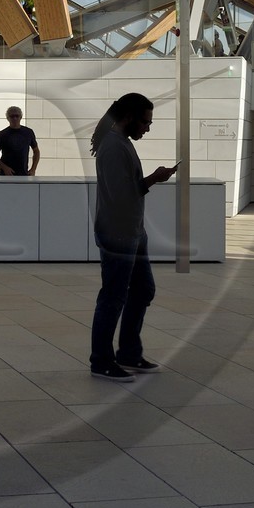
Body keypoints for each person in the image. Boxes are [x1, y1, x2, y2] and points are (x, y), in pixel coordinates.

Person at [88, 93, 176, 381]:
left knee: (142, 290)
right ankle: (101, 361)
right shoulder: (113, 147)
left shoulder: (122, 142)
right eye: (145, 122)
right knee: (113, 297)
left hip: (133, 232)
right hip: (118, 234)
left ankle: (128, 353)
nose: (147, 128)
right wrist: (154, 178)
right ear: (128, 117)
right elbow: (121, 195)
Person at [0, 106, 40, 177]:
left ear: (21, 117)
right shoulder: (2, 134)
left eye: (17, 116)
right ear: (8, 118)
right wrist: (5, 168)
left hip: (23, 174)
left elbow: (36, 151)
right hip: (6, 175)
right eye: (12, 116)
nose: (15, 118)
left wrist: (33, 169)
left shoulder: (28, 132)